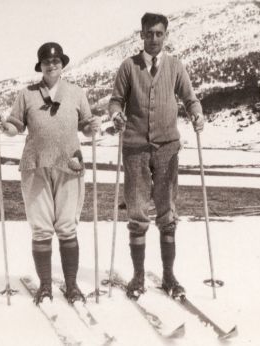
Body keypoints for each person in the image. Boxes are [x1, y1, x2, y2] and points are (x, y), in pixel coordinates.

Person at [109, 12, 204, 299]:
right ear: (141, 35)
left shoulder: (175, 66)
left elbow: (190, 98)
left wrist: (197, 114)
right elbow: (116, 100)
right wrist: (116, 115)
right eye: (149, 33)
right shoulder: (129, 66)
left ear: (165, 35)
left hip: (167, 149)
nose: (153, 39)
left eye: (159, 34)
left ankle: (169, 275)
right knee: (137, 212)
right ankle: (138, 276)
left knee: (167, 211)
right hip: (135, 148)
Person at [0, 42, 101, 304]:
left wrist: (94, 127)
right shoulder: (27, 94)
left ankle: (72, 286)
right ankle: (45, 286)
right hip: (36, 165)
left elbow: (87, 128)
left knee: (67, 227)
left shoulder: (77, 93)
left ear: (62, 64)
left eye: (56, 61)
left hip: (70, 165)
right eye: (46, 61)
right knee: (41, 229)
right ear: (40, 65)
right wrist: (5, 128)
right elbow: (16, 126)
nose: (51, 65)